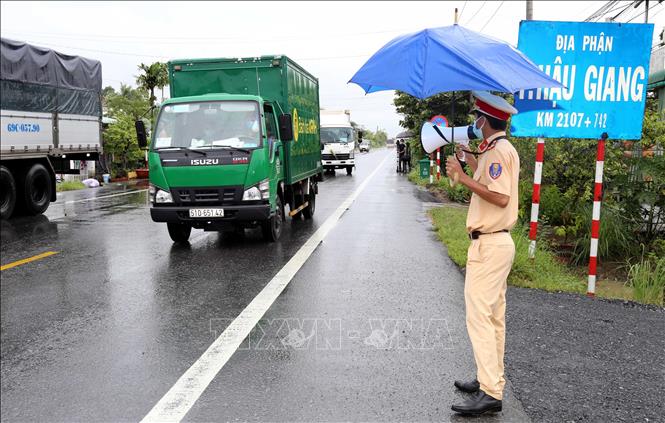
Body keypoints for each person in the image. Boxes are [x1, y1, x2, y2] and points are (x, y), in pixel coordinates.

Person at [445, 91, 520, 416]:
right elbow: (492, 183)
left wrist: (462, 178)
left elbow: (500, 197)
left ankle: (490, 391)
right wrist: (472, 164)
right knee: (493, 318)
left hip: (490, 245)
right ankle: (489, 378)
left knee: (479, 317)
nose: (474, 122)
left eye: (477, 117)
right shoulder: (497, 151)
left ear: (485, 120)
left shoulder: (499, 152)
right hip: (495, 243)